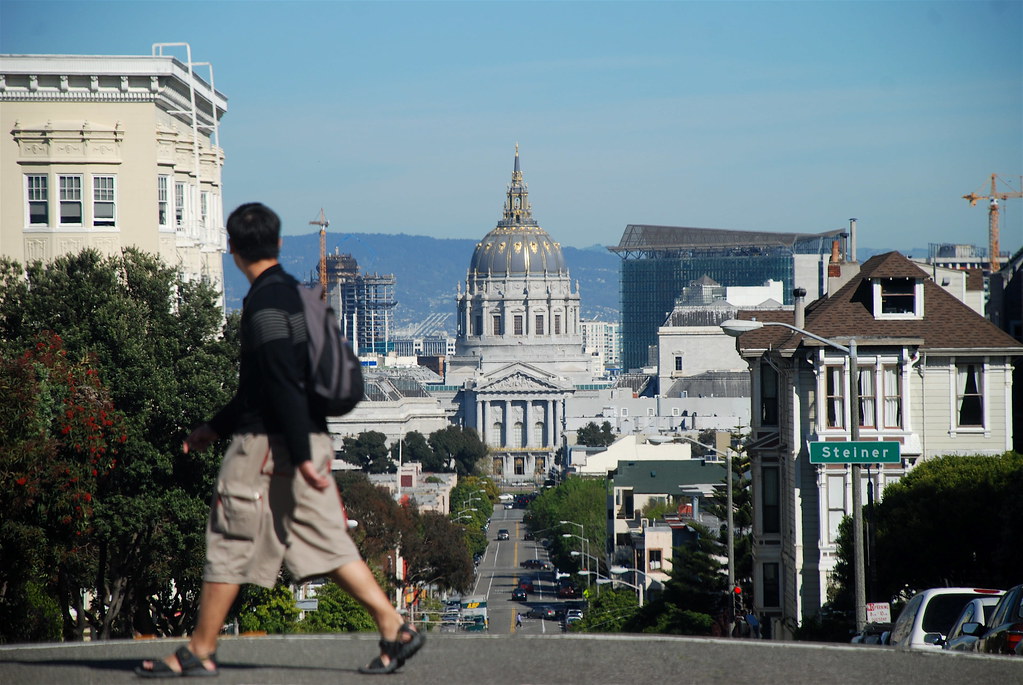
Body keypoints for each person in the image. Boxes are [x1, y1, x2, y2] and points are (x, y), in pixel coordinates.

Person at [137, 203, 422, 678]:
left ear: (232, 249)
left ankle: (199, 649)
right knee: (326, 542)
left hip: (270, 446)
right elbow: (263, 385)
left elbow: (280, 381)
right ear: (281, 245)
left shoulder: (265, 304)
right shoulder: (296, 293)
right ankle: (394, 626)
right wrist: (216, 426)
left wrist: (300, 452)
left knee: (230, 537)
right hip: (301, 437)